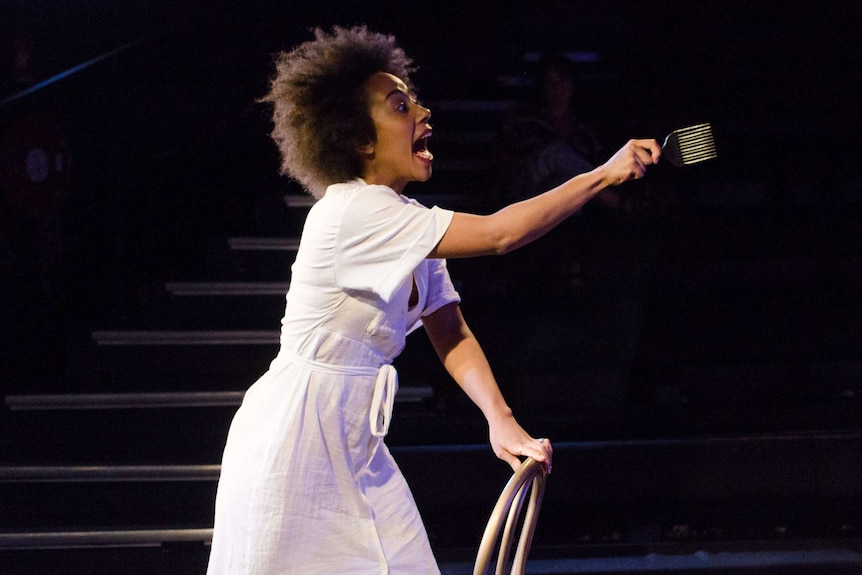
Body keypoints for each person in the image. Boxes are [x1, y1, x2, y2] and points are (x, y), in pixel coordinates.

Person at [206, 25, 660, 574]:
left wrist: (500, 419)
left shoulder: (405, 224)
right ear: (360, 140)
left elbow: (451, 330)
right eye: (400, 106)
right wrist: (601, 174)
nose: (422, 113)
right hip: (298, 438)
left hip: (356, 444)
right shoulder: (353, 211)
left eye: (414, 100)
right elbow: (498, 234)